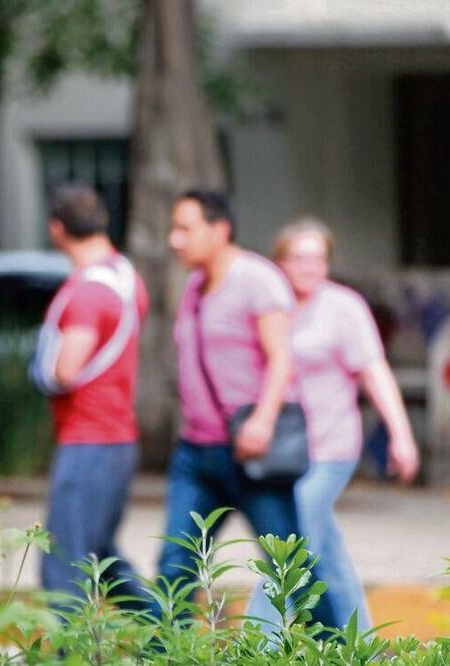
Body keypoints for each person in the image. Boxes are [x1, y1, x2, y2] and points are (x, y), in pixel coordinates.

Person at [245, 219, 421, 630]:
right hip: (284, 451)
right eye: (299, 257)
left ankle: (256, 645)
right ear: (279, 262)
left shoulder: (344, 307)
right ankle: (360, 646)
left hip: (330, 448)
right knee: (328, 554)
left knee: (286, 546)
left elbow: (374, 372)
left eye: (319, 258)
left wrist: (402, 436)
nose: (310, 267)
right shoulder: (271, 306)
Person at [157, 189, 310, 618]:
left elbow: (282, 358)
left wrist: (262, 422)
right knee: (174, 568)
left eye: (185, 228)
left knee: (291, 572)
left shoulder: (257, 279)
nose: (175, 239)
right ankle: (170, 653)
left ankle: (338, 652)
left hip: (250, 450)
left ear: (219, 229)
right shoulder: (194, 286)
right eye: (174, 229)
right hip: (196, 453)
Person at [29, 184, 149, 610]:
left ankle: (67, 656)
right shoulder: (125, 277)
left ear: (57, 229)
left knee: (63, 565)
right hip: (116, 439)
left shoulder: (87, 293)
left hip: (88, 442)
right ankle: (171, 638)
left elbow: (66, 370)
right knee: (103, 559)